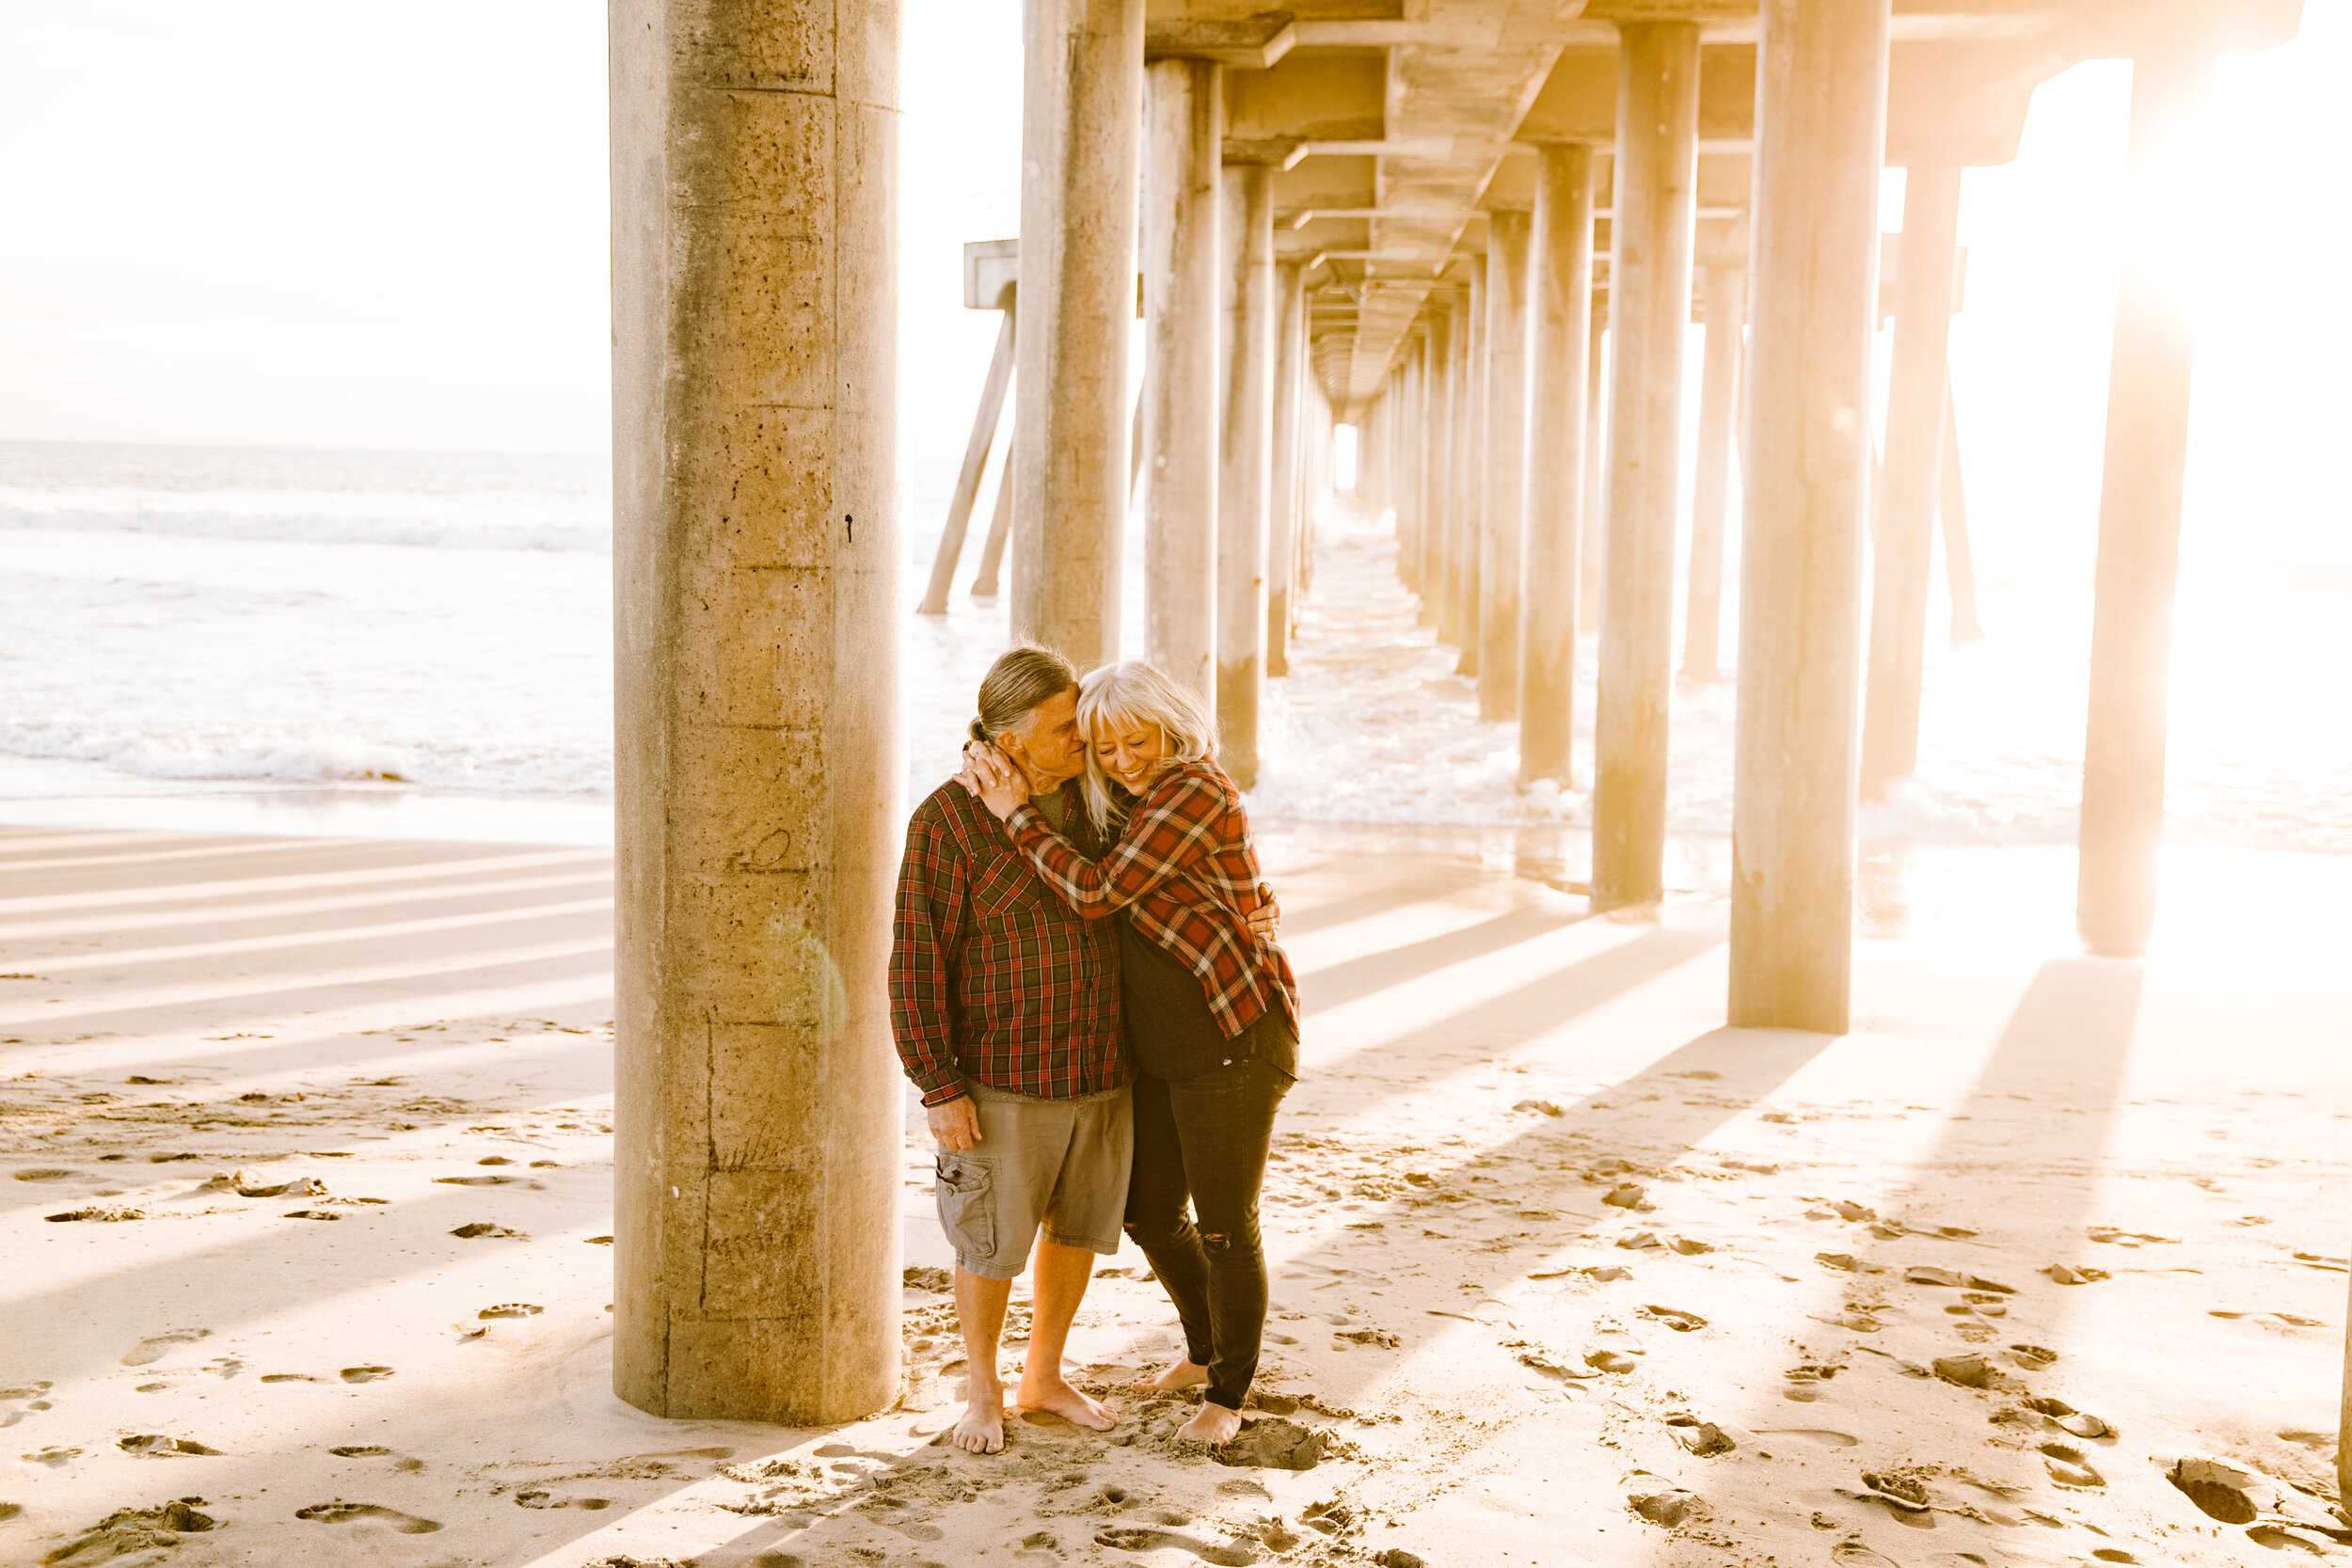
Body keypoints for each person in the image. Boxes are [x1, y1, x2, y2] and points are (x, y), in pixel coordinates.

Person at [961, 659, 1299, 1445]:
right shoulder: (1122, 796)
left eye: (1135, 742)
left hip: (1233, 1039)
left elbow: (1093, 891)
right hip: (1160, 1052)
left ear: (1171, 726)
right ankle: (1204, 1345)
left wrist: (1014, 812)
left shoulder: (1192, 789)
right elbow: (1045, 765)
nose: (1122, 761)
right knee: (1148, 1210)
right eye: (1103, 748)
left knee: (1224, 1224)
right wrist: (994, 762)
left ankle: (1227, 1391)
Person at [890, 645, 1128, 1455]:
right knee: (989, 1244)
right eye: (1068, 728)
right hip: (1000, 1080)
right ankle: (983, 1388)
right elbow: (916, 960)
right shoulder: (946, 820)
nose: (1084, 741)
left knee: (1075, 1231)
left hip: (1099, 1068)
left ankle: (1045, 1375)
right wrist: (937, 1085)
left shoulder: (1097, 804)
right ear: (1015, 737)